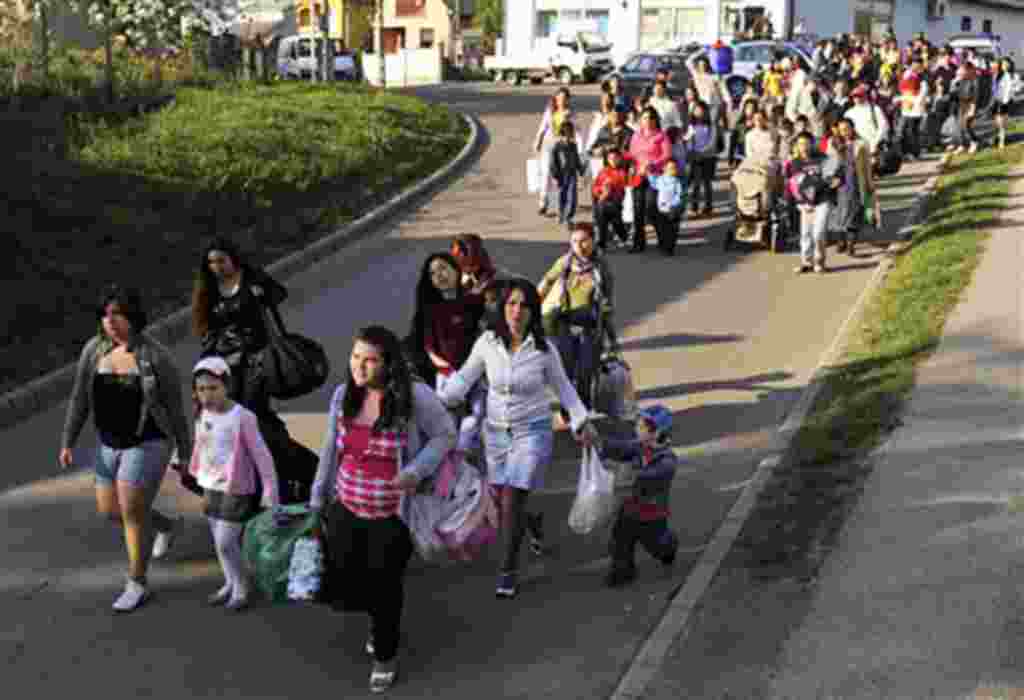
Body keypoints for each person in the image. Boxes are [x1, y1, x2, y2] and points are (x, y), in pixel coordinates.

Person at [310, 326, 456, 692]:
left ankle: (385, 656)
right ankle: (378, 623)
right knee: (345, 579)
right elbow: (330, 450)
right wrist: (316, 498)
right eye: (356, 357)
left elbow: (445, 434)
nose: (360, 366)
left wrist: (415, 470)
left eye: (370, 359)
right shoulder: (344, 395)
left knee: (386, 587)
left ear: (388, 363)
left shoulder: (414, 396)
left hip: (394, 516)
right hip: (346, 506)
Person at [437, 279, 596, 600]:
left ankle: (508, 570)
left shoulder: (543, 349)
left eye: (524, 305)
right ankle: (532, 518)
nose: (517, 311)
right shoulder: (487, 343)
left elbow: (565, 389)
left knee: (511, 498)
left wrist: (582, 421)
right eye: (511, 303)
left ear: (532, 312)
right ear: (502, 308)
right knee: (503, 500)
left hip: (532, 432)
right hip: (495, 434)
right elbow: (465, 379)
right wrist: (435, 398)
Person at [60, 284, 193, 612]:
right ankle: (163, 524)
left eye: (117, 315)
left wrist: (187, 453)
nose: (110, 322)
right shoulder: (94, 351)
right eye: (105, 316)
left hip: (148, 441)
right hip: (109, 444)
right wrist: (68, 441)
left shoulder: (156, 357)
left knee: (132, 510)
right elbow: (79, 398)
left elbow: (176, 409)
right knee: (111, 511)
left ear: (133, 317)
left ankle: (137, 582)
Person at [192, 237, 317, 504]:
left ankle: (304, 469)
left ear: (233, 259)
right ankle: (256, 478)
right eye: (211, 262)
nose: (217, 267)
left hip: (256, 365)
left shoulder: (250, 279)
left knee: (252, 419)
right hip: (224, 369)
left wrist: (260, 286)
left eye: (221, 261)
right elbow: (207, 333)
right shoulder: (209, 290)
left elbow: (279, 295)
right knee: (236, 423)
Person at [188, 356, 279, 611]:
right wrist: (190, 465)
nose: (207, 394)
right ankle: (229, 581)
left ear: (227, 386)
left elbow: (262, 456)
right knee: (219, 540)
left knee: (225, 542)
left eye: (213, 388)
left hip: (235, 488)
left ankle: (241, 586)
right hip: (210, 485)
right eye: (201, 389)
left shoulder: (243, 417)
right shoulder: (202, 413)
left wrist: (270, 490)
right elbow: (202, 444)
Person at [404, 252, 484, 452]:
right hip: (446, 376)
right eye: (433, 273)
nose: (439, 275)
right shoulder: (429, 310)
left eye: (443, 268)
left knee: (477, 417)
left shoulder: (475, 302)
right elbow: (429, 348)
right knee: (447, 426)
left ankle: (466, 460)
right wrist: (450, 373)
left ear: (456, 270)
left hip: (477, 373)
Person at [597, 404, 680, 587]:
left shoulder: (667, 459)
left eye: (641, 426)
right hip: (630, 509)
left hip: (652, 516)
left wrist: (632, 477)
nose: (636, 428)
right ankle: (623, 571)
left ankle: (669, 545)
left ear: (656, 433)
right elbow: (622, 448)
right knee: (620, 538)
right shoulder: (639, 447)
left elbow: (655, 475)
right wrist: (601, 444)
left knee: (658, 547)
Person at [538, 222, 619, 406]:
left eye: (584, 241)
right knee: (565, 370)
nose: (579, 246)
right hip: (564, 324)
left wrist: (611, 337)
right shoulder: (564, 263)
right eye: (574, 241)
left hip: (590, 326)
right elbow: (546, 282)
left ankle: (582, 410)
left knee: (585, 372)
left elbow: (607, 303)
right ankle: (569, 409)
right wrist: (532, 307)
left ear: (593, 240)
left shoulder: (601, 268)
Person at [786, 130, 842, 274]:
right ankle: (806, 262)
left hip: (823, 199)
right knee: (805, 233)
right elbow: (793, 185)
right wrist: (799, 203)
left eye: (806, 143)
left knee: (818, 232)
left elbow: (834, 175)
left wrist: (837, 180)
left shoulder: (823, 159)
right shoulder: (794, 163)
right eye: (800, 144)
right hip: (805, 203)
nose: (803, 147)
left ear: (812, 144)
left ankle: (819, 262)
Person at [626, 107, 671, 252]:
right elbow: (632, 154)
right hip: (638, 176)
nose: (647, 121)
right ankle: (638, 243)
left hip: (655, 176)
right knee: (638, 210)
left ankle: (664, 241)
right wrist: (632, 164)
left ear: (655, 120)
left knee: (652, 208)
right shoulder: (636, 136)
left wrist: (652, 164)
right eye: (644, 118)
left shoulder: (661, 136)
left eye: (650, 118)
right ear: (640, 120)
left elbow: (666, 155)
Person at [828, 117, 874, 256]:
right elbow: (829, 164)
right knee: (839, 213)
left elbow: (867, 165)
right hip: (840, 184)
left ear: (853, 128)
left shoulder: (861, 143)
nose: (845, 132)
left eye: (847, 129)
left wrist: (869, 184)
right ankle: (841, 241)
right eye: (842, 130)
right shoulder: (834, 143)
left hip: (856, 182)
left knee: (855, 213)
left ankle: (851, 245)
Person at [534, 87, 574, 217]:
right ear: (555, 99)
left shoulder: (570, 113)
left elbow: (575, 131)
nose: (561, 101)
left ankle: (560, 204)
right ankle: (543, 202)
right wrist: (538, 141)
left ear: (568, 100)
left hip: (563, 148)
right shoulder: (550, 111)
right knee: (546, 174)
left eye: (564, 98)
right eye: (559, 98)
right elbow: (543, 127)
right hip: (549, 145)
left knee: (559, 177)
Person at [591, 147, 632, 251]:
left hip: (615, 202)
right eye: (610, 158)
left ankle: (623, 238)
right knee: (602, 217)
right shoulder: (603, 171)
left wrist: (610, 190)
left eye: (615, 158)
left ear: (620, 159)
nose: (613, 160)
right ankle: (602, 243)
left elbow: (624, 189)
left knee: (616, 221)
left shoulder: (623, 172)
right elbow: (595, 187)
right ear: (607, 159)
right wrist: (601, 191)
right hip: (603, 201)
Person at [685, 100, 719, 219]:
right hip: (695, 158)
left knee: (707, 183)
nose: (698, 112)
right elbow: (688, 140)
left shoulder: (711, 125)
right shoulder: (691, 126)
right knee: (696, 184)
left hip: (708, 158)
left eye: (701, 109)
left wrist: (702, 152)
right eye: (696, 109)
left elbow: (712, 142)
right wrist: (691, 151)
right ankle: (694, 208)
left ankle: (708, 207)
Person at [550, 121, 587, 227]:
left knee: (572, 197)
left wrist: (581, 170)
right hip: (561, 175)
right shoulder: (557, 147)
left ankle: (568, 217)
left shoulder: (573, 146)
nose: (568, 138)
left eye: (570, 135)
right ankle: (561, 213)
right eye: (565, 135)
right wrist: (555, 176)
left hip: (572, 175)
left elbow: (576, 159)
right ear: (561, 134)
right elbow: (553, 163)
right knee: (561, 196)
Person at [648, 158, 686, 256]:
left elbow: (679, 195)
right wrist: (650, 171)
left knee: (673, 230)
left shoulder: (677, 182)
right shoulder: (660, 179)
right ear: (664, 169)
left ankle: (670, 248)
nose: (672, 170)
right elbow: (653, 182)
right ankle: (664, 246)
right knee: (663, 229)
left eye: (674, 168)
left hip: (673, 210)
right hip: (662, 210)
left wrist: (673, 205)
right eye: (670, 168)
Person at [898, 55, 929, 160]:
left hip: (916, 106)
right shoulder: (906, 74)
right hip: (906, 104)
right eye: (914, 63)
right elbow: (902, 89)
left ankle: (915, 152)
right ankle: (907, 152)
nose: (916, 66)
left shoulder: (922, 76)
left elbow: (924, 91)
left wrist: (917, 101)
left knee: (913, 130)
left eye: (918, 64)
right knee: (905, 130)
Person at [846, 84, 890, 156]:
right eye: (854, 96)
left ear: (865, 96)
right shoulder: (849, 113)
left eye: (859, 96)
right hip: (858, 148)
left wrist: (875, 143)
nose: (857, 98)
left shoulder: (875, 109)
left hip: (876, 147)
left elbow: (884, 126)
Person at [992, 57, 1016, 150]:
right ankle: (1000, 138)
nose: (1005, 66)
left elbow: (1009, 89)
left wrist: (1005, 101)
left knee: (1001, 121)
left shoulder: (1010, 75)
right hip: (996, 100)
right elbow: (994, 88)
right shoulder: (997, 75)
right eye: (1003, 64)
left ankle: (1002, 140)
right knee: (997, 122)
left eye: (1007, 64)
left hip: (1004, 101)